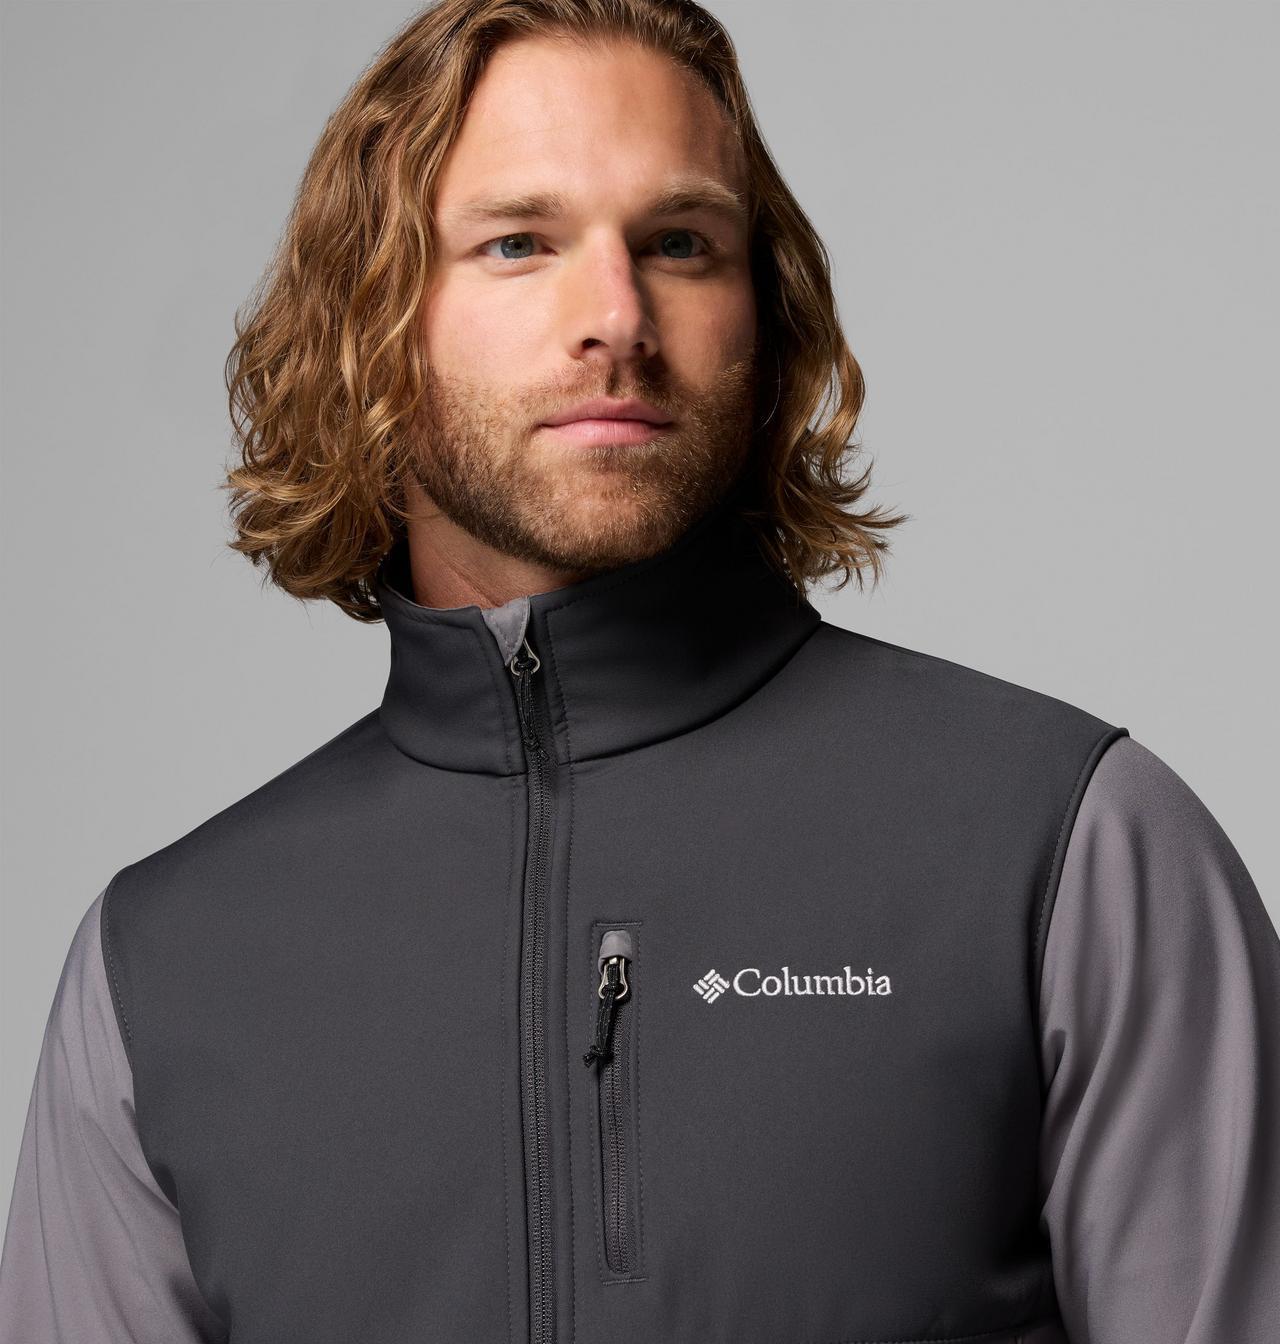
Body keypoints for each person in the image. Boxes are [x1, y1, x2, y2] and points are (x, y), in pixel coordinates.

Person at [2, 1, 1277, 1341]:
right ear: (369, 322)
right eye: (518, 243)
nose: (616, 317)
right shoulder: (163, 967)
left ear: (762, 315)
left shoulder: (1069, 850)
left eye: (679, 243)